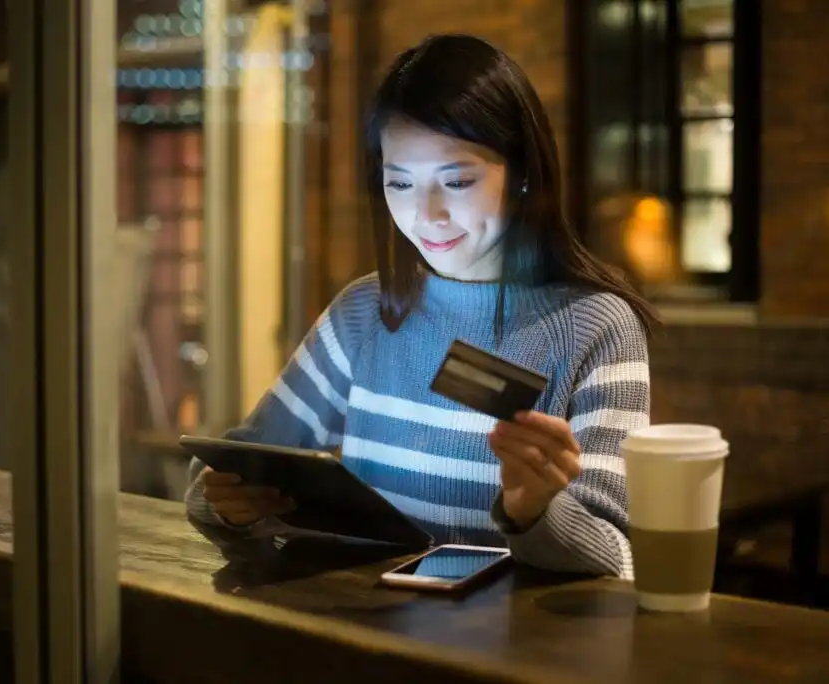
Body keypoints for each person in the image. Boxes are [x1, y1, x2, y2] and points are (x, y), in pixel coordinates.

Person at [185, 34, 657, 578]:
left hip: (514, 654)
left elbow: (618, 560)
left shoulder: (596, 327)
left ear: (523, 171)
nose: (426, 214)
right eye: (400, 183)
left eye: (456, 181)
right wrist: (227, 501)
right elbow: (229, 466)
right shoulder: (366, 312)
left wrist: (534, 512)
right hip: (365, 635)